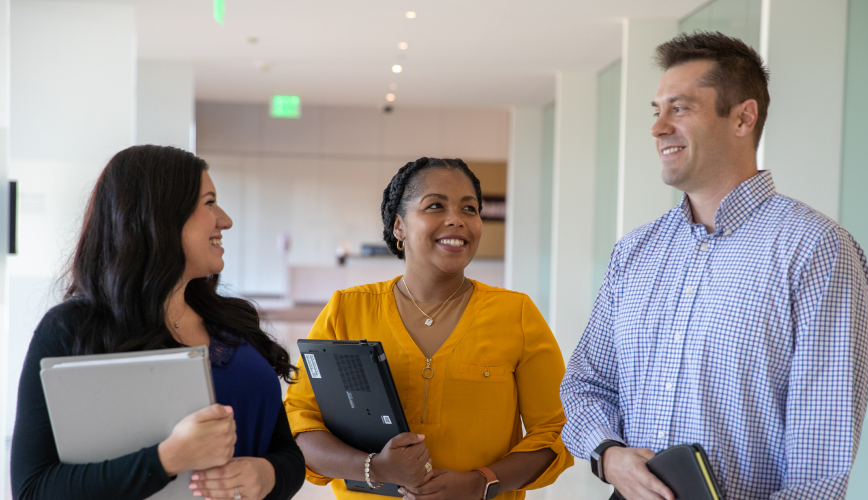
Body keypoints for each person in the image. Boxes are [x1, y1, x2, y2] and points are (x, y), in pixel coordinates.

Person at [559, 32, 868, 500]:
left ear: (743, 117)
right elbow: (586, 384)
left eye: (679, 108)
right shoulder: (634, 252)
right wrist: (609, 454)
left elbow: (818, 470)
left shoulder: (816, 251)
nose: (658, 127)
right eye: (656, 110)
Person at [11, 145, 305, 500]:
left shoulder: (234, 323)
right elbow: (33, 489)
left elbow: (288, 455)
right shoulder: (73, 328)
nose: (224, 219)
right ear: (161, 215)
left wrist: (267, 474)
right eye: (209, 202)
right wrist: (167, 459)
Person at [284, 157, 574, 500]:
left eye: (470, 208)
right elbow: (300, 423)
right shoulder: (347, 309)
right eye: (435, 205)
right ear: (399, 227)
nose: (457, 219)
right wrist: (374, 467)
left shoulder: (516, 314)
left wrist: (480, 483)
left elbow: (555, 433)